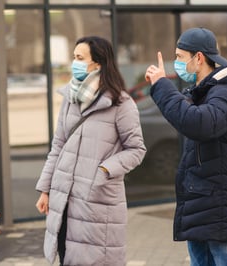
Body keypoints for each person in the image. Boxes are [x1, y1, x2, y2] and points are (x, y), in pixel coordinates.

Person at [144, 27, 227, 266]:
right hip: (202, 205)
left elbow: (197, 124)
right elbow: (188, 116)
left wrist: (162, 85)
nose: (176, 62)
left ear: (198, 58)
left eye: (179, 56)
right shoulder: (206, 93)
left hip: (220, 210)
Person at [35, 36, 146, 266]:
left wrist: (105, 169)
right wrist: (45, 188)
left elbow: (136, 149)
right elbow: (58, 145)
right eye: (74, 57)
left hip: (98, 203)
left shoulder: (121, 103)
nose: (73, 62)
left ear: (98, 63)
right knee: (67, 257)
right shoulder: (70, 99)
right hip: (65, 200)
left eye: (79, 58)